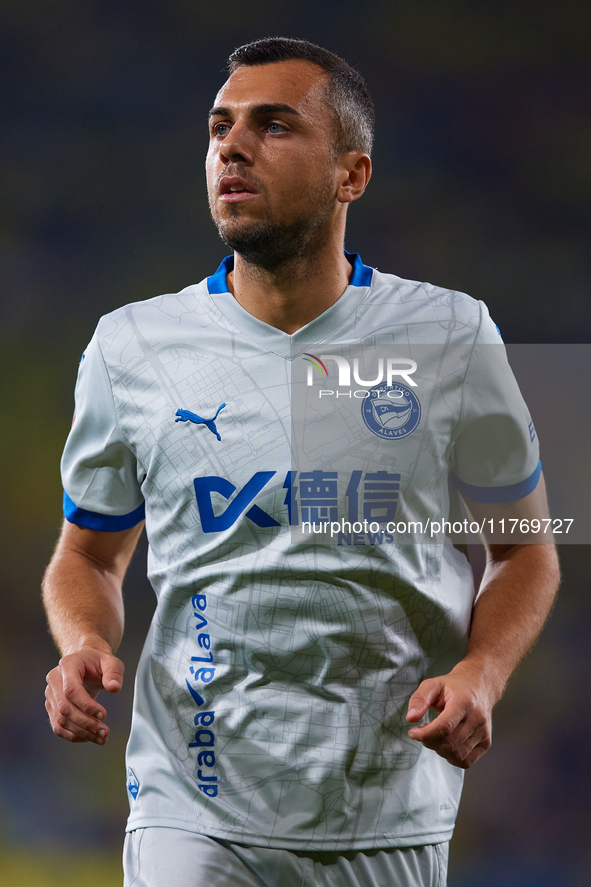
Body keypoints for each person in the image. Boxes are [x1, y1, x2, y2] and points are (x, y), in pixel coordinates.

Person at [43, 37, 559, 887]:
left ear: (350, 174)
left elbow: (526, 548)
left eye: (272, 125)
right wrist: (82, 643)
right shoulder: (129, 343)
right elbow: (89, 552)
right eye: (219, 128)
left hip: (386, 809)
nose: (230, 147)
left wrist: (482, 672)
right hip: (192, 803)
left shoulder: (454, 333)